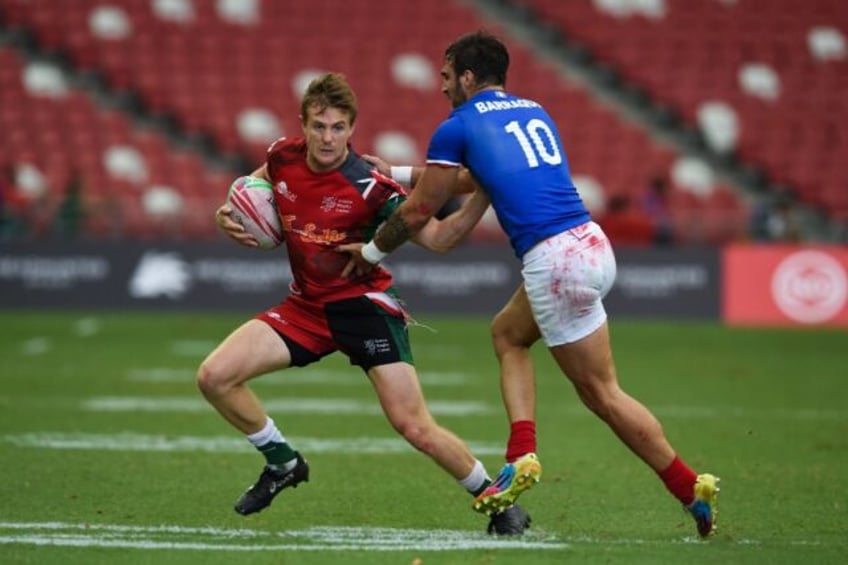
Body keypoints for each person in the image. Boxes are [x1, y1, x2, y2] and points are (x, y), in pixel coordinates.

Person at [340, 31, 720, 537]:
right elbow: (480, 176)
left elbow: (419, 210)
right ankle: (681, 487)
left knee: (603, 394)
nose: (442, 85)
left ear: (469, 77)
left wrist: (369, 255)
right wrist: (402, 170)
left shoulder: (457, 125)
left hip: (554, 260)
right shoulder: (534, 111)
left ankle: (527, 457)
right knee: (509, 335)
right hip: (590, 243)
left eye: (448, 75)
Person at [198, 72, 530, 535]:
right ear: (303, 124)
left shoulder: (370, 186)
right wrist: (224, 216)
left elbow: (438, 239)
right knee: (214, 376)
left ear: (352, 128)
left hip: (365, 308)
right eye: (318, 126)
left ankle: (497, 501)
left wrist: (484, 194)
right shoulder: (281, 156)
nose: (327, 137)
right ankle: (283, 463)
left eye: (337, 127)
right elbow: (247, 194)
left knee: (413, 426)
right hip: (306, 308)